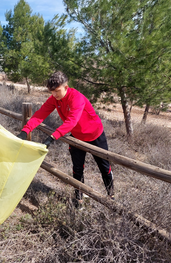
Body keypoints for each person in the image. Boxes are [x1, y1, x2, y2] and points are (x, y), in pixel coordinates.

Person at [17, 71, 114, 206]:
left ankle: (111, 197)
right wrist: (25, 130)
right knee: (77, 168)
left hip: (94, 134)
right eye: (52, 92)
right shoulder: (54, 99)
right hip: (77, 136)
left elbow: (71, 121)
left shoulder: (77, 98)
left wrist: (52, 137)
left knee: (104, 167)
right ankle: (78, 199)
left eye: (57, 91)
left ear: (66, 87)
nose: (55, 95)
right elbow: (40, 114)